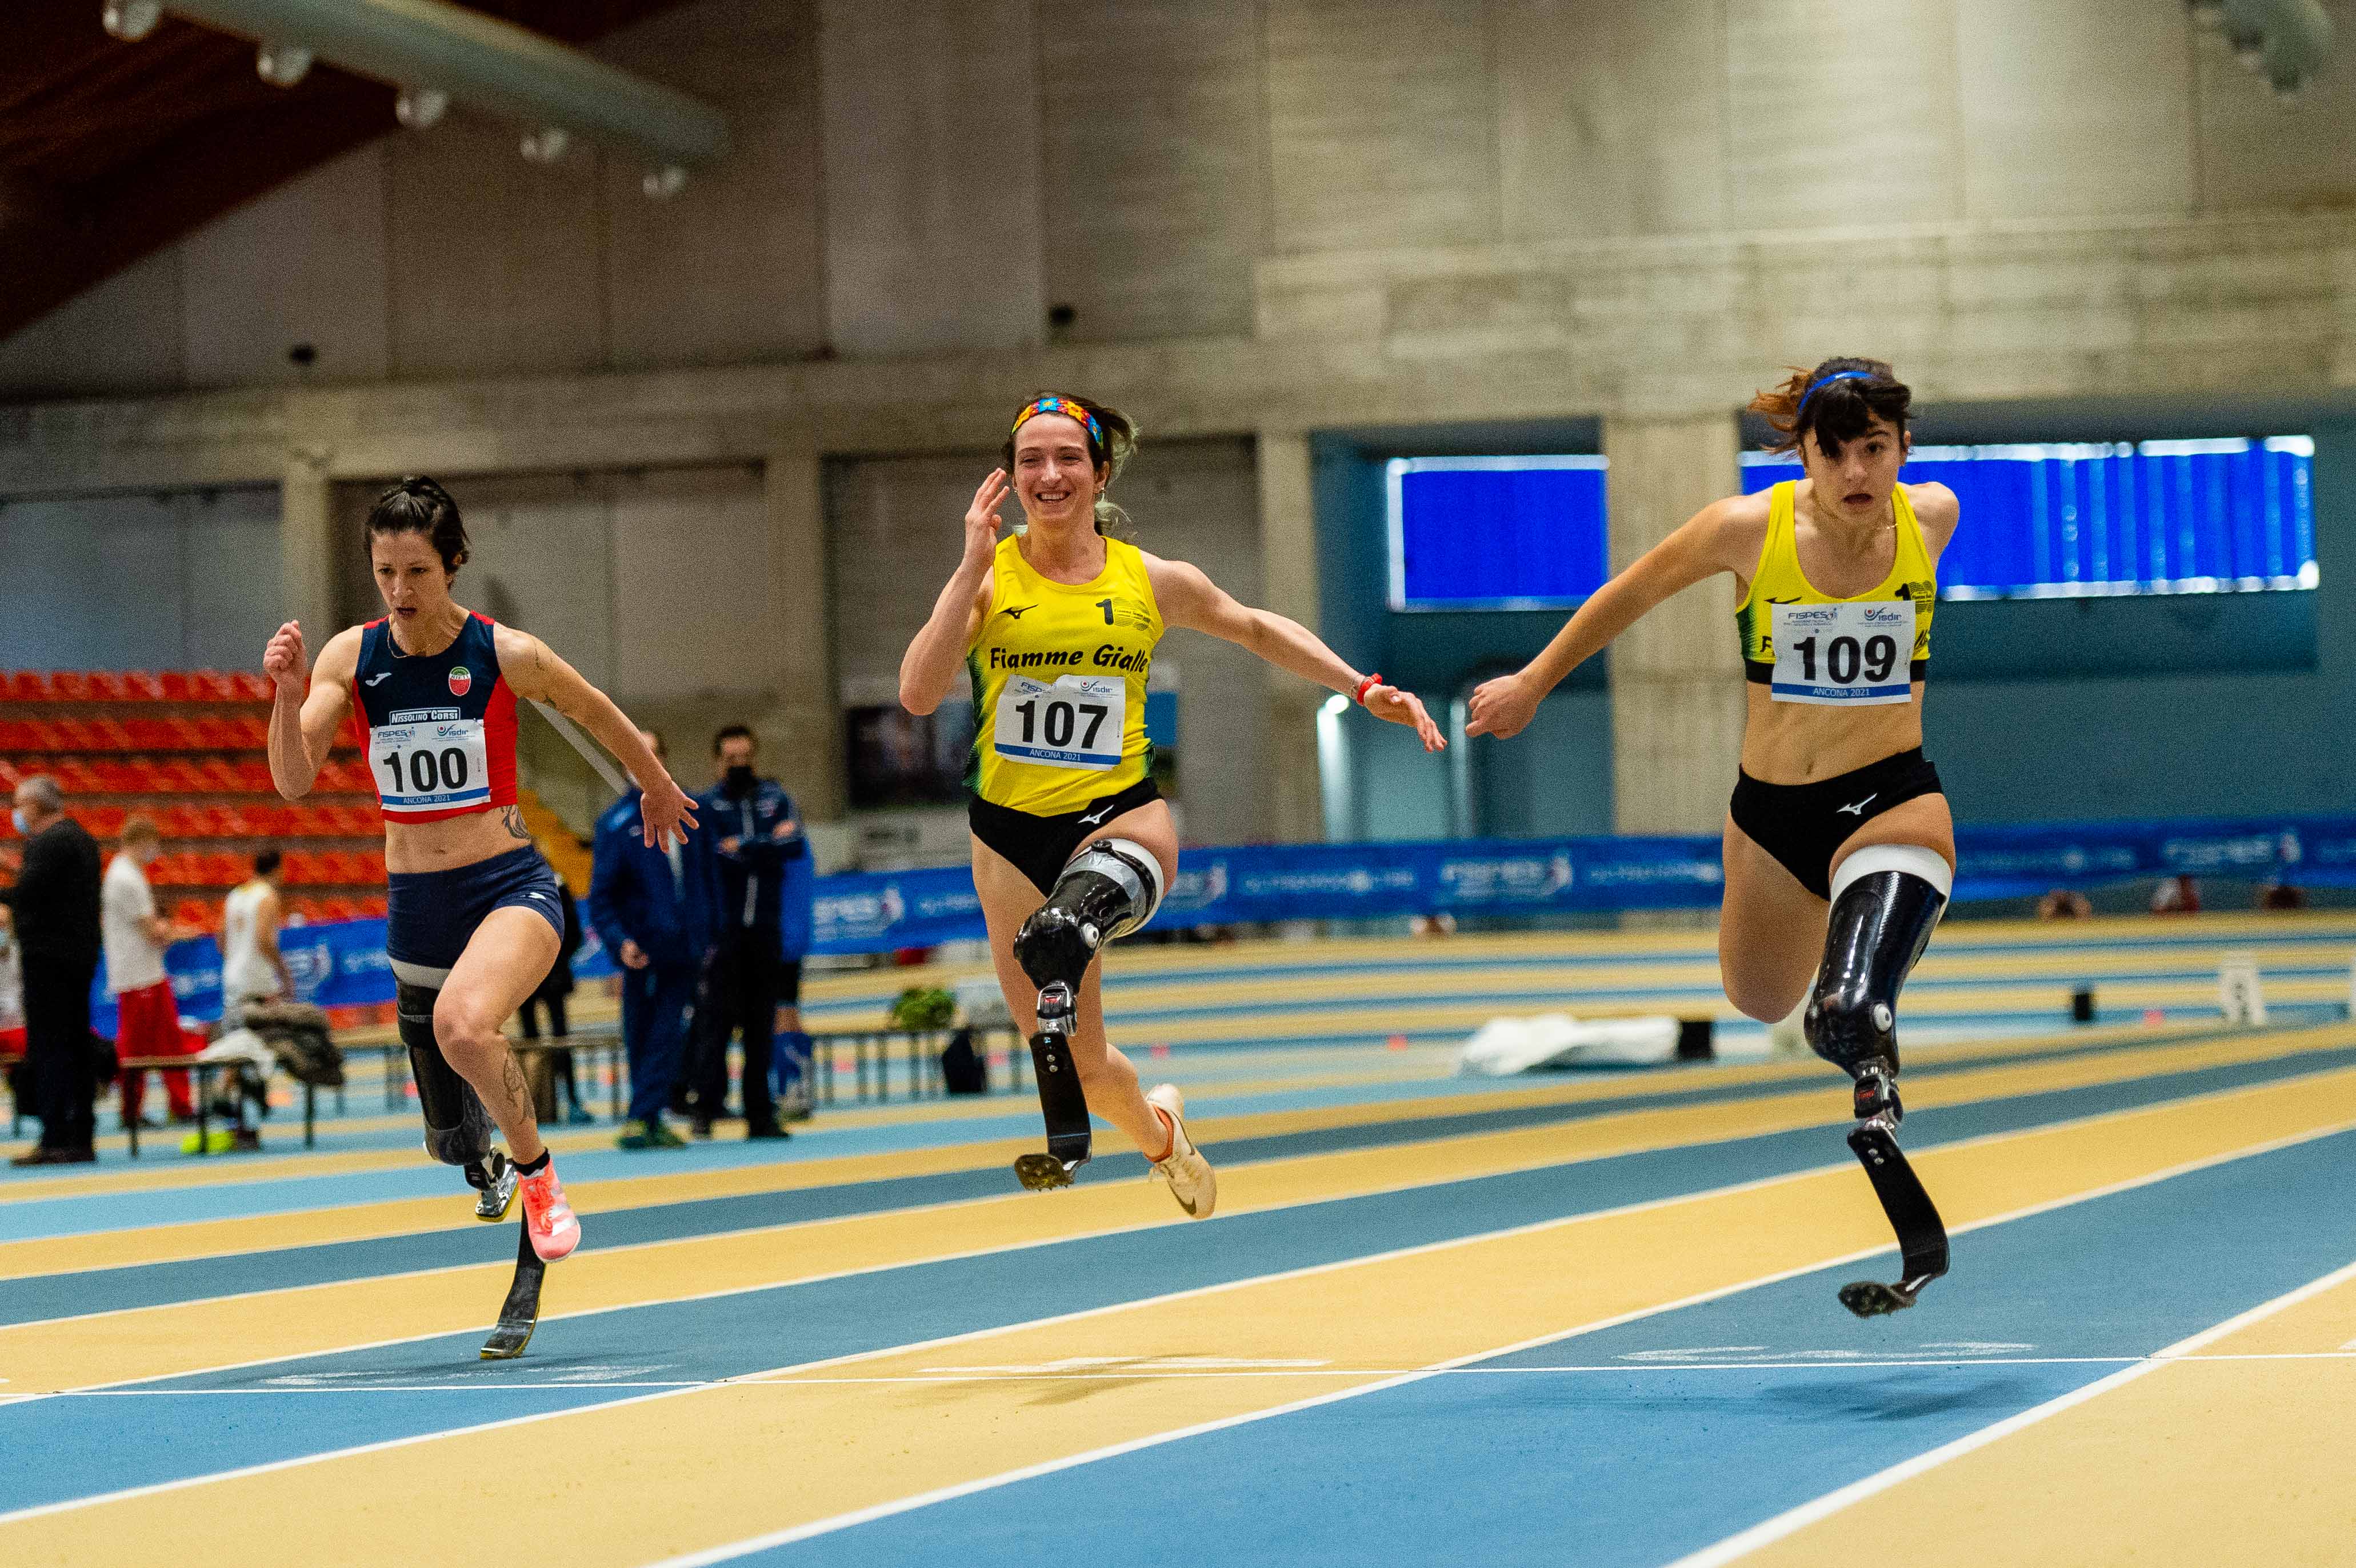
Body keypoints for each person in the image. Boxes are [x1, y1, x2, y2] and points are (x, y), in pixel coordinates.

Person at [1469, 357, 1962, 1318]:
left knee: (1847, 1007)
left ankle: (1870, 1070)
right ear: (1804, 455)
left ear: (1903, 450)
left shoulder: (1930, 516)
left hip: (1891, 795)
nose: (1857, 470)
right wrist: (1533, 678)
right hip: (1771, 814)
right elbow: (1629, 590)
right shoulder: (1747, 527)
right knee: (1756, 995)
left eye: (1875, 448)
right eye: (1836, 450)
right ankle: (1844, 1000)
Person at [898, 393, 1444, 1213]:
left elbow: (1255, 628)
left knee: (1069, 921)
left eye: (1067, 459)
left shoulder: (1147, 578)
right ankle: (1164, 1138)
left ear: (1098, 472)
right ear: (1010, 479)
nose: (1049, 476)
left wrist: (1361, 687)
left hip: (1118, 817)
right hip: (1008, 838)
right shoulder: (990, 578)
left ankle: (1078, 916)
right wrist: (969, 566)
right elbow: (916, 693)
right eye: (1030, 462)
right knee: (1082, 1070)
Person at [264, 477, 698, 1261]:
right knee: (447, 1136)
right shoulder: (350, 658)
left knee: (462, 1026)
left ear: (454, 563)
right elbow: (293, 779)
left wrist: (657, 787)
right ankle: (490, 1162)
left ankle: (540, 1178)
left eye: (417, 573)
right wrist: (286, 696)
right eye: (385, 572)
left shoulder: (501, 652)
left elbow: (593, 707)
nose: (399, 591)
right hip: (417, 906)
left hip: (509, 889)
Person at [588, 729, 721, 1151]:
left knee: (669, 1034)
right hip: (642, 950)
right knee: (643, 1034)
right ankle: (643, 1117)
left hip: (685, 946)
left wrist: (709, 932)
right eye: (634, 753)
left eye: (651, 753)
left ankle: (643, 1117)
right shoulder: (615, 824)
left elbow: (706, 879)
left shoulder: (690, 811)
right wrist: (619, 941)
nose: (642, 761)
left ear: (662, 759)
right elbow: (602, 897)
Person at [687, 723, 801, 1139]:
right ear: (718, 762)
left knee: (760, 1025)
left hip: (765, 931)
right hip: (723, 935)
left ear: (756, 757)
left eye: (746, 757)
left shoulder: (775, 798)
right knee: (714, 1025)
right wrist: (766, 844)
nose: (739, 765)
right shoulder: (705, 807)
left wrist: (748, 846)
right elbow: (714, 856)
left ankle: (760, 1113)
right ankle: (706, 1108)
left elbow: (794, 845)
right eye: (731, 759)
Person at [1, 774, 103, 1165]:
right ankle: (80, 1133)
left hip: (50, 959)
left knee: (51, 1046)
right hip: (76, 956)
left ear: (36, 804)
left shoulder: (49, 843)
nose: (15, 812)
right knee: (76, 1043)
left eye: (19, 803)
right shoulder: (80, 839)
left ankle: (56, 1136)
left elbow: (29, 896)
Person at [101, 815, 200, 1130]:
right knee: (137, 1047)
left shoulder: (126, 874)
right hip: (138, 977)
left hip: (143, 973)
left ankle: (179, 1104)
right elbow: (153, 932)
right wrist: (181, 931)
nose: (156, 850)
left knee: (166, 1042)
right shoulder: (126, 878)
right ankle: (134, 1110)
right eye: (154, 843)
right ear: (142, 839)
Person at [515, 864, 593, 1125]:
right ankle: (531, 1104)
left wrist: (548, 960)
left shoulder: (557, 884)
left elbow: (574, 934)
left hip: (553, 975)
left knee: (561, 1039)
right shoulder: (507, 886)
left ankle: (572, 1100)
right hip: (519, 976)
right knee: (529, 1043)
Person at [220, 849, 294, 1009]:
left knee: (238, 1032)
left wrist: (236, 960)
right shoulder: (267, 896)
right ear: (278, 870)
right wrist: (284, 972)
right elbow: (264, 940)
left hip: (232, 979)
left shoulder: (235, 894)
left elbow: (220, 939)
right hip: (258, 982)